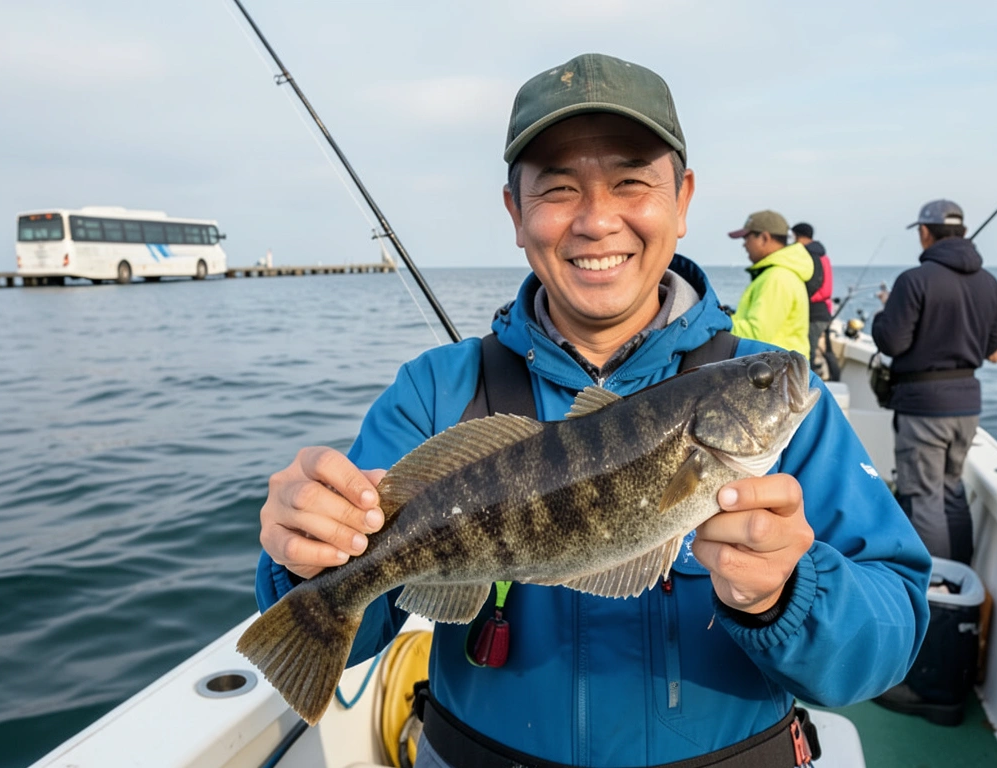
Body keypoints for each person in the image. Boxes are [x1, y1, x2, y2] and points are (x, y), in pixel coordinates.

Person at [256, 53, 930, 768]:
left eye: (632, 182)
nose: (597, 220)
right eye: (558, 189)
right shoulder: (434, 392)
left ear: (683, 199)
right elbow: (356, 627)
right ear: (516, 213)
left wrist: (789, 593)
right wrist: (306, 557)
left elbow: (886, 639)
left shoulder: (801, 417)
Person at [871, 200, 997, 564]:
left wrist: (884, 313)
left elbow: (891, 342)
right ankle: (960, 573)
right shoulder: (990, 283)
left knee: (923, 497)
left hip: (923, 407)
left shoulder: (914, 280)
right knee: (951, 491)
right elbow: (991, 345)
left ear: (924, 232)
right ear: (962, 231)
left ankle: (935, 585)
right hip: (967, 407)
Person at [727, 211, 814, 359]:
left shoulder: (777, 277)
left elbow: (756, 334)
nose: (744, 244)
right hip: (778, 364)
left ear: (764, 238)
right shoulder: (781, 273)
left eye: (747, 237)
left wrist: (717, 323)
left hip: (776, 368)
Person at [792, 222, 834, 380]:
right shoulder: (822, 255)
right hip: (823, 311)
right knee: (822, 352)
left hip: (814, 312)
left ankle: (809, 386)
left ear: (799, 236)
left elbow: (813, 284)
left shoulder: (810, 256)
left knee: (808, 355)